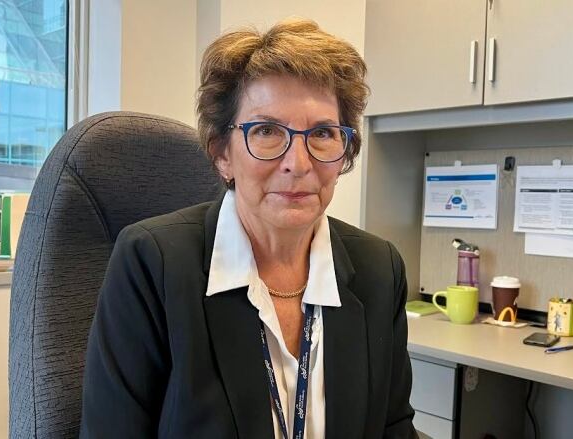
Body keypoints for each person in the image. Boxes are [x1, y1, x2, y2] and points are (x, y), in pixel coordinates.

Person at [80, 18, 416, 439]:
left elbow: (393, 427)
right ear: (222, 152)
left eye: (324, 133)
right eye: (267, 131)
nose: (298, 162)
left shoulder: (379, 269)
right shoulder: (152, 264)